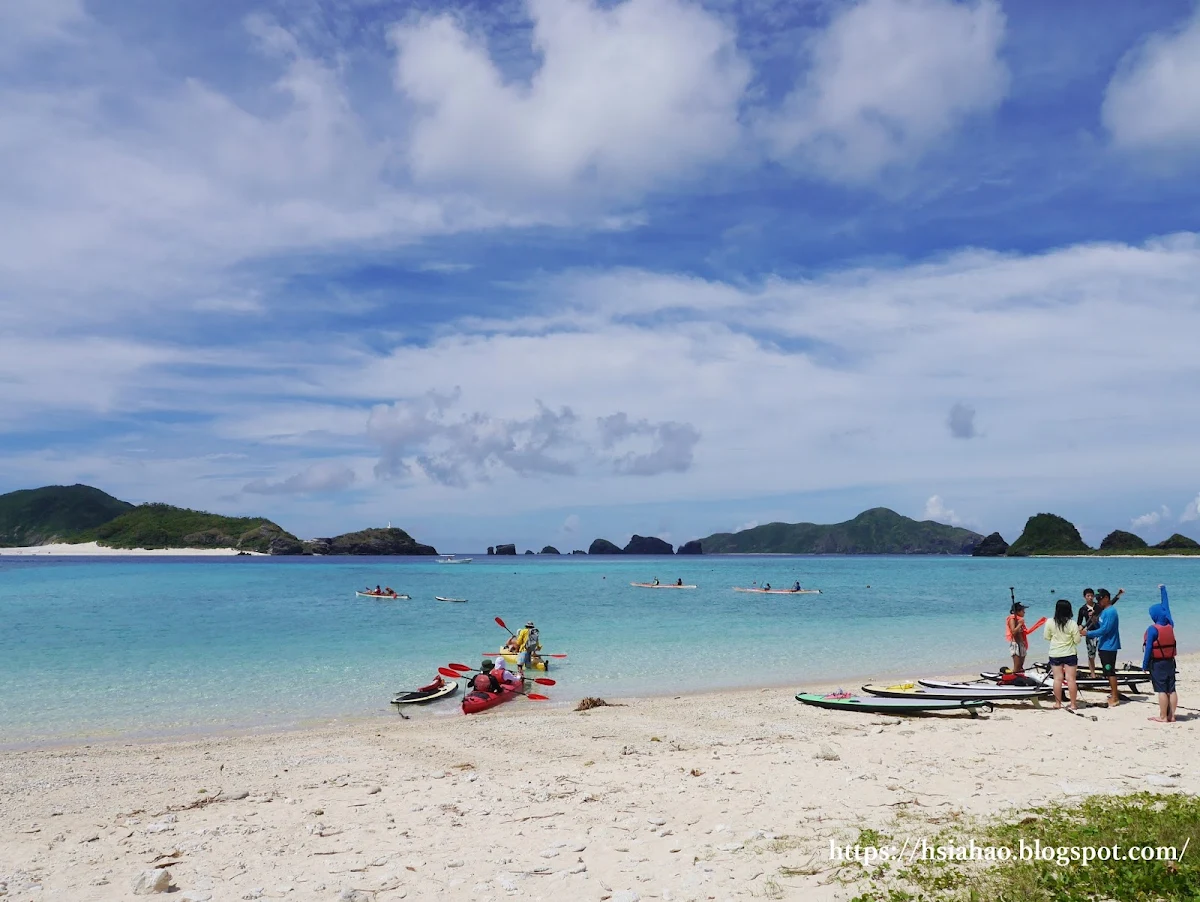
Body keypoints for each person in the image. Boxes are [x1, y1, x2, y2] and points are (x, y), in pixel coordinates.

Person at [1142, 585, 1178, 723]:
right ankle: (1172, 716)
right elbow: (1166, 607)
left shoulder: (1152, 629)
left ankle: (1163, 716)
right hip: (1170, 661)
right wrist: (1163, 591)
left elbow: (1149, 648)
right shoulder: (1170, 624)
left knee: (1162, 690)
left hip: (1158, 663)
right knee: (1172, 689)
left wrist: (1145, 665)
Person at [1044, 599, 1084, 711]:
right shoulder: (1072, 623)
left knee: (1057, 679)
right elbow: (1077, 641)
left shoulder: (1049, 622)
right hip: (1070, 653)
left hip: (1055, 653)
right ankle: (1073, 704)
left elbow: (1047, 637)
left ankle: (1058, 703)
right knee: (1071, 679)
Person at [1088, 588, 1125, 707]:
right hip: (1103, 645)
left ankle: (1115, 697)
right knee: (1106, 671)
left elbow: (1105, 630)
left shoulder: (1111, 612)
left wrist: (1087, 633)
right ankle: (1113, 692)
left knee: (1110, 671)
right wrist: (1094, 620)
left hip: (1110, 646)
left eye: (1100, 599)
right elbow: (1101, 625)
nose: (1098, 601)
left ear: (1106, 598)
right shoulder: (1104, 611)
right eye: (1097, 599)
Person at [1077, 588, 1101, 677]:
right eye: (1088, 596)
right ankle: (1093, 673)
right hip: (1089, 634)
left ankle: (1106, 671)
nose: (1090, 597)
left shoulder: (1098, 607)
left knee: (1102, 653)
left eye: (1092, 595)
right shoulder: (1082, 609)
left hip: (1100, 632)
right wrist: (1080, 631)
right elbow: (1079, 623)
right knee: (1091, 655)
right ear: (1084, 597)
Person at [1005, 601, 1029, 674]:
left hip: (1021, 644)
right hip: (1016, 644)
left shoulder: (1019, 619)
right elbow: (1013, 632)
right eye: (1023, 610)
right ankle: (1013, 678)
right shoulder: (1012, 619)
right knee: (1017, 666)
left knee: (1021, 666)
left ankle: (1020, 677)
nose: (1024, 612)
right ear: (1018, 611)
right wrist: (1020, 624)